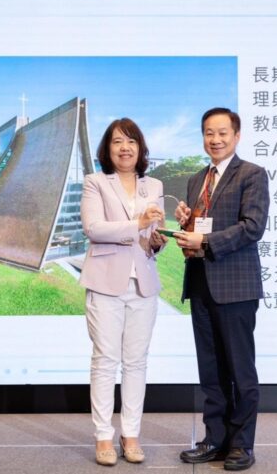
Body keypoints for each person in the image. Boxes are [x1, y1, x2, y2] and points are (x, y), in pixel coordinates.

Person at [173, 107, 269, 471]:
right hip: (200, 283)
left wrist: (205, 240)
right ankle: (215, 439)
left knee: (240, 370)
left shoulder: (252, 174)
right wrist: (188, 225)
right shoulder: (197, 179)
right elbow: (202, 227)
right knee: (210, 370)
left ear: (237, 135)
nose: (215, 139)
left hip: (236, 286)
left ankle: (242, 445)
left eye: (222, 133)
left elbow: (252, 226)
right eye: (209, 133)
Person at [79, 118, 167, 466]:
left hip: (143, 284)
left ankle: (131, 434)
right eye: (117, 141)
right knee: (105, 360)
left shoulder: (154, 185)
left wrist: (156, 239)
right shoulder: (95, 182)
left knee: (136, 362)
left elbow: (152, 237)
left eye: (131, 141)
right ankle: (103, 436)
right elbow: (94, 228)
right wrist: (138, 224)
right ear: (108, 148)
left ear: (140, 148)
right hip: (105, 283)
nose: (125, 148)